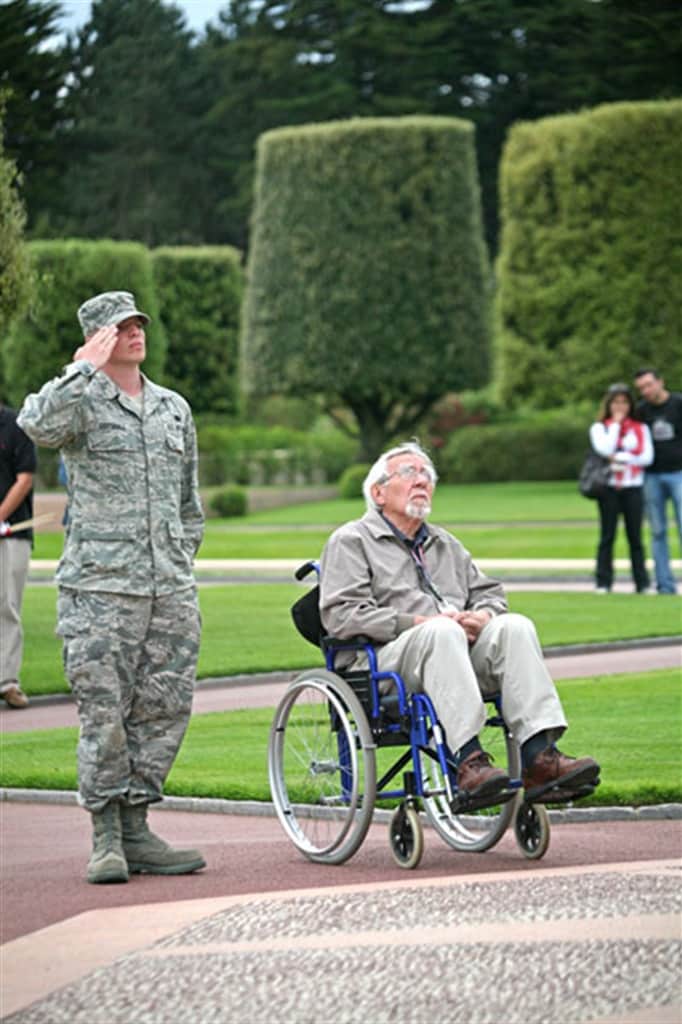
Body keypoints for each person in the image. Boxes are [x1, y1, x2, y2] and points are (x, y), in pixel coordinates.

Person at [18, 291, 206, 885]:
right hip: (100, 592)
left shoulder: (173, 408)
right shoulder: (80, 402)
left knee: (164, 709)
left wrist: (178, 557)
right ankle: (104, 835)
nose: (134, 334)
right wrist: (81, 367)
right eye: (121, 328)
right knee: (106, 714)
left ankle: (137, 828)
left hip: (168, 591)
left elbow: (189, 503)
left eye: (138, 325)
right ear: (98, 337)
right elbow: (36, 424)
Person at [319, 441, 600, 808]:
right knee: (441, 630)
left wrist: (483, 616)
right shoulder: (351, 540)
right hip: (384, 665)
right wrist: (418, 621)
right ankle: (468, 761)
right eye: (409, 472)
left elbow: (490, 593)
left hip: (454, 656)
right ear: (378, 493)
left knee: (514, 626)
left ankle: (539, 758)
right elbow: (341, 615)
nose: (422, 479)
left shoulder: (444, 543)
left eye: (427, 475)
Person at [589, 383, 653, 594]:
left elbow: (646, 457)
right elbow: (605, 449)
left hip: (632, 486)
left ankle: (642, 582)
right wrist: (616, 425)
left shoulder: (640, 428)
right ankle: (603, 582)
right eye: (616, 402)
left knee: (635, 536)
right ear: (609, 404)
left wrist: (623, 457)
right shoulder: (601, 428)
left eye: (624, 402)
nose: (620, 406)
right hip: (608, 487)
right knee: (608, 535)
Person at [0, 403, 37, 709]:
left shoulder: (16, 425)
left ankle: (7, 682)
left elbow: (24, 479)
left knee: (7, 606)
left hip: (11, 533)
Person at [634, 368, 682, 595]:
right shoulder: (641, 411)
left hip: (679, 473)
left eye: (649, 385)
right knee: (657, 530)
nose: (646, 391)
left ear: (660, 382)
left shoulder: (678, 404)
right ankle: (665, 585)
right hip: (651, 476)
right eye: (641, 388)